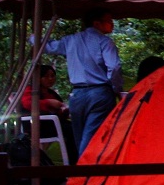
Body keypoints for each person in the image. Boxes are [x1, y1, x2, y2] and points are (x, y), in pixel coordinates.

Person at [43, 9, 123, 156]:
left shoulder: (71, 40)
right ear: (97, 23)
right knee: (93, 136)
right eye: (109, 21)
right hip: (100, 92)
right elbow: (114, 66)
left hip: (77, 94)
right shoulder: (105, 42)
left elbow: (47, 47)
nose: (112, 24)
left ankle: (82, 169)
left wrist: (33, 38)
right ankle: (85, 173)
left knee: (80, 137)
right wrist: (116, 88)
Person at [17, 63, 78, 161]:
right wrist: (48, 102)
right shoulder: (30, 90)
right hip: (37, 125)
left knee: (75, 127)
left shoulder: (51, 93)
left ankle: (75, 159)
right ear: (39, 77)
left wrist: (64, 111)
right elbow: (28, 104)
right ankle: (74, 161)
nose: (50, 79)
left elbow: (58, 112)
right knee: (70, 130)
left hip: (53, 123)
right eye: (46, 76)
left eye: (52, 76)